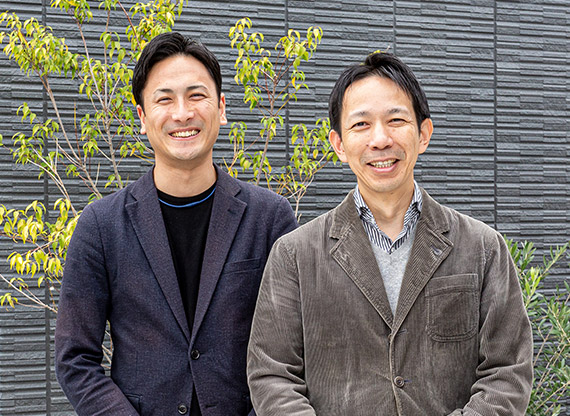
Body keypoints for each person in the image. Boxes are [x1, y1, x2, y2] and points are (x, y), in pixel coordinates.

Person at [247, 52, 533, 415]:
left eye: (396, 120)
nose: (380, 139)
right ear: (338, 144)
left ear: (423, 133)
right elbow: (272, 376)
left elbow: (507, 372)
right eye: (361, 124)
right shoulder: (294, 255)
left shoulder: (482, 248)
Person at [55, 32, 297, 416]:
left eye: (196, 96)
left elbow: (294, 348)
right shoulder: (101, 225)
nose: (182, 113)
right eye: (164, 99)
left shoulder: (269, 218)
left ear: (221, 108)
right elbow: (75, 359)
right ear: (142, 116)